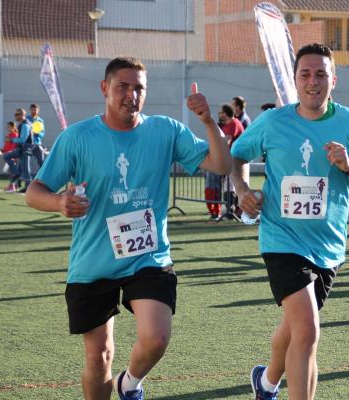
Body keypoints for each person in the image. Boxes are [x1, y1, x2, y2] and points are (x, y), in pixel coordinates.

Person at [24, 56, 231, 400]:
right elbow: (35, 192)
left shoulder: (165, 130)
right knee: (99, 356)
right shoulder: (78, 137)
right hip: (94, 261)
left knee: (156, 338)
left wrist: (208, 121)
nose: (131, 95)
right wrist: (60, 203)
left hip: (147, 257)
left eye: (139, 88)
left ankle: (129, 383)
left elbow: (221, 164)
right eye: (122, 86)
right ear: (105, 88)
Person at [230, 43, 349, 400]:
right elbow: (237, 154)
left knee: (295, 328)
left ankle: (267, 381)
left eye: (320, 74)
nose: (313, 81)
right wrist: (242, 189)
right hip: (281, 238)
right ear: (295, 79)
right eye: (305, 74)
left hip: (329, 245)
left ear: (333, 79)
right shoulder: (273, 121)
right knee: (307, 329)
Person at [3, 108, 33, 192]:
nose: (15, 116)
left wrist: (11, 140)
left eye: (17, 114)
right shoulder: (22, 124)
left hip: (26, 148)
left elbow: (23, 139)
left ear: (22, 115)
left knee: (26, 169)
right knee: (7, 157)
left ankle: (28, 187)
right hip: (22, 148)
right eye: (15, 114)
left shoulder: (25, 125)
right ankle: (17, 174)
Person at [1, 121, 19, 192]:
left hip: (12, 157)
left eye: (9, 127)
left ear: (13, 127)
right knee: (11, 172)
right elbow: (6, 146)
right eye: (7, 127)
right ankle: (13, 186)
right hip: (7, 156)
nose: (7, 128)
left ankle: (12, 187)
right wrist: (2, 150)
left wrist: (13, 156)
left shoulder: (15, 135)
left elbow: (14, 147)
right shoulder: (8, 135)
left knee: (12, 172)